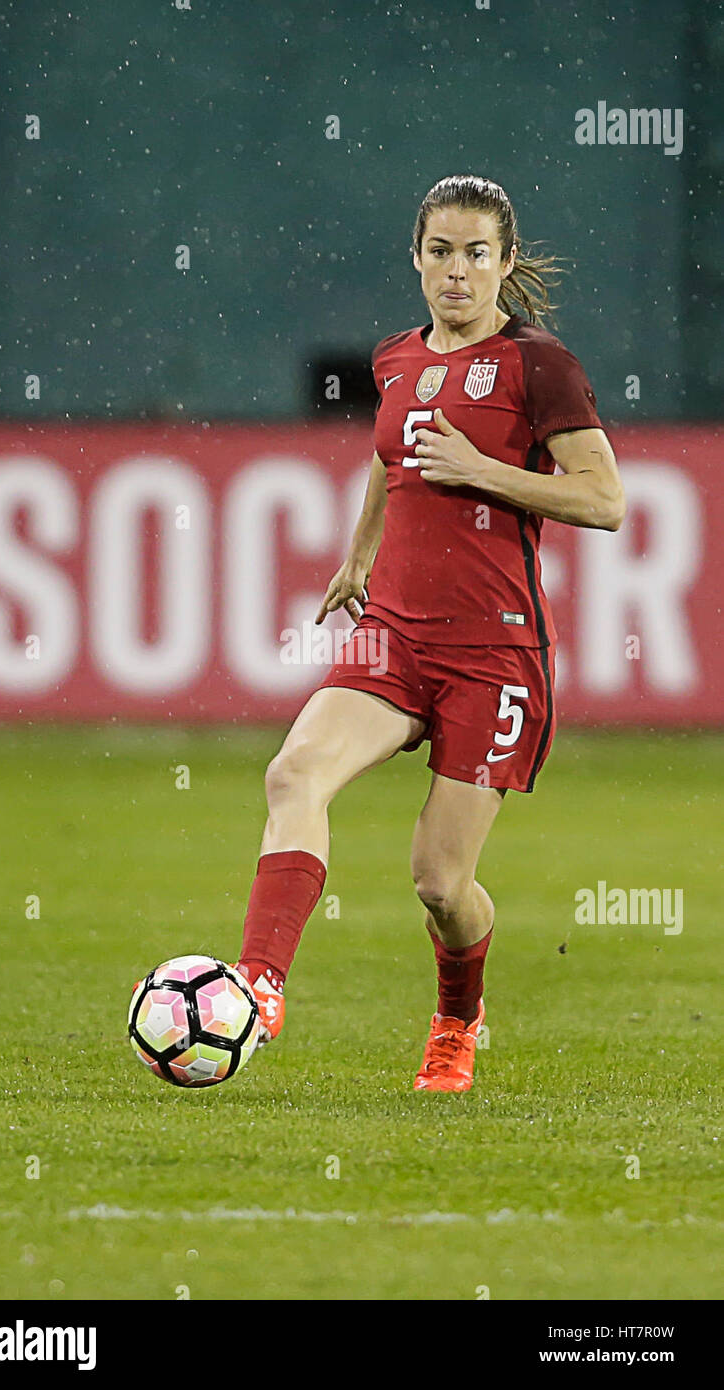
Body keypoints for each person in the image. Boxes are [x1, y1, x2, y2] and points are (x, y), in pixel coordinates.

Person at [234, 174, 625, 1092]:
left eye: (476, 254)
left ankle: (457, 1018)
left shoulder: (540, 367)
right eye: (440, 252)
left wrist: (484, 469)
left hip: (495, 655)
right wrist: (358, 555)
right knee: (293, 773)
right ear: (416, 258)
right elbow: (389, 455)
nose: (457, 271)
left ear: (505, 262)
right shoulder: (394, 358)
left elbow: (603, 501)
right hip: (395, 637)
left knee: (439, 884)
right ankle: (257, 987)